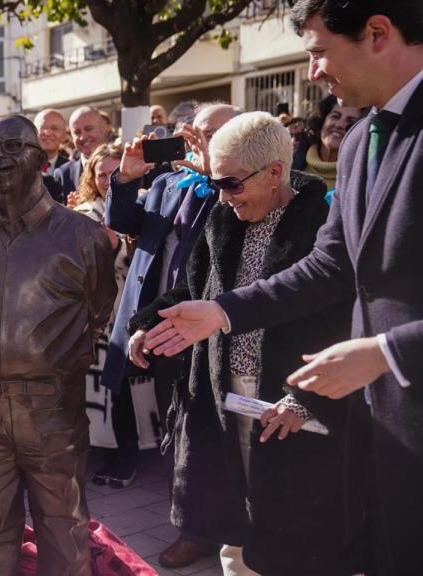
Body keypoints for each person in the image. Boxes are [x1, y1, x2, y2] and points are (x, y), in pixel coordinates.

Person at [141, 2, 423, 574]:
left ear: (377, 32)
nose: (314, 72)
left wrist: (386, 352)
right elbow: (330, 268)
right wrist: (220, 312)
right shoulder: (364, 137)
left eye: (318, 52)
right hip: (377, 441)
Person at [130, 112, 360, 576]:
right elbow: (197, 289)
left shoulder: (325, 224)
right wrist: (150, 323)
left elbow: (346, 325)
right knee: (234, 524)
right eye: (216, 182)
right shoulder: (222, 217)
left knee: (297, 538)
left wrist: (306, 400)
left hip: (291, 408)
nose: (222, 195)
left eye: (232, 183)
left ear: (275, 172)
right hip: (224, 397)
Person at [0, 115, 116, 575]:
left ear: (42, 161)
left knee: (63, 526)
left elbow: (99, 311)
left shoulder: (82, 235)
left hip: (51, 409)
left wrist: (50, 361)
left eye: (12, 148)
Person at [103, 102, 240, 568]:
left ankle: (208, 529)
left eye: (217, 134)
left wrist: (219, 178)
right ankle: (190, 521)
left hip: (209, 327)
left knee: (206, 429)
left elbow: (234, 241)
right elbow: (124, 224)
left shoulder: (241, 186)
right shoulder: (166, 182)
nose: (203, 143)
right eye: (197, 134)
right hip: (160, 324)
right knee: (175, 426)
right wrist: (124, 178)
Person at [292, 95, 363, 189]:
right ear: (322, 121)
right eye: (335, 116)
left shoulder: (361, 181)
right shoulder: (291, 162)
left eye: (351, 121)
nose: (339, 125)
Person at [54, 106, 113, 192]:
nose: (83, 137)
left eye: (88, 129)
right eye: (77, 132)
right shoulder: (63, 174)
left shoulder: (123, 165)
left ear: (104, 127)